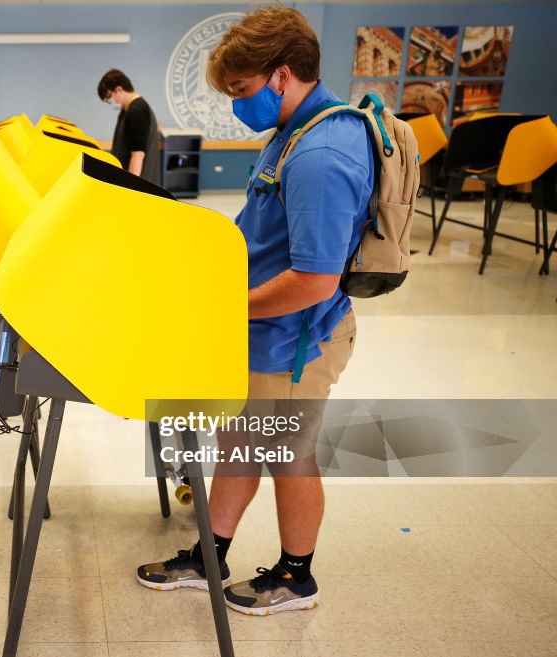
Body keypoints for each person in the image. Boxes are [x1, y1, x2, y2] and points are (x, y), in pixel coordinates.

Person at [136, 6, 373, 616]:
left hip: (297, 339)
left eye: (242, 90)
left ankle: (297, 577)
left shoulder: (321, 152)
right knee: (244, 444)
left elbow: (315, 280)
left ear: (282, 75)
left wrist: (226, 307)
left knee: (288, 455)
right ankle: (208, 555)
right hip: (268, 331)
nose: (237, 105)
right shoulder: (292, 133)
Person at [96, 69, 161, 185]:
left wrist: (130, 186)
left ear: (119, 90)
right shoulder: (127, 111)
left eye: (109, 98)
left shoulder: (137, 111)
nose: (110, 102)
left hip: (140, 185)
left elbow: (137, 155)